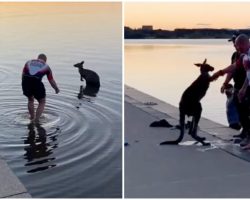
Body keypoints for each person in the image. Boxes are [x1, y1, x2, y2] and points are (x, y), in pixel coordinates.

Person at [211, 34, 250, 149]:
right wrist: (220, 72)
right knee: (242, 111)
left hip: (247, 87)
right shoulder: (244, 55)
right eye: (236, 47)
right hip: (244, 87)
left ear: (245, 43)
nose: (237, 49)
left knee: (245, 110)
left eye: (238, 46)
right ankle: (247, 135)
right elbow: (234, 66)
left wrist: (243, 88)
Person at [22, 54, 60, 123]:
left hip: (25, 82)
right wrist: (56, 88)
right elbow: (51, 80)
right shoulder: (46, 66)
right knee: (42, 101)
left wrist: (24, 84)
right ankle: (36, 120)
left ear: (37, 58)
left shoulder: (28, 62)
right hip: (36, 82)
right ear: (45, 60)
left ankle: (32, 117)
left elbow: (23, 74)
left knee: (30, 100)